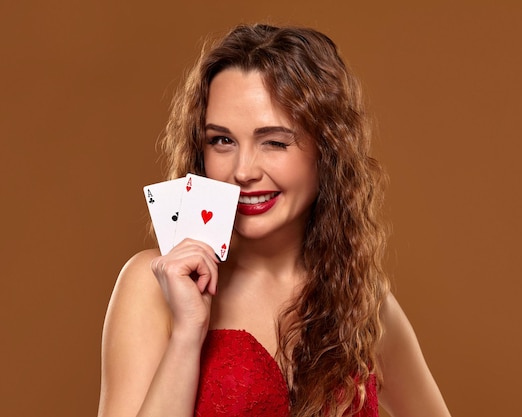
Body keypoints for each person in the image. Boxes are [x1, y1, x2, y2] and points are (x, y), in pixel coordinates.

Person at [97, 23, 451, 417]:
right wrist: (186, 335)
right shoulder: (151, 285)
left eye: (275, 142)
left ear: (327, 151)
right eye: (222, 140)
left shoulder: (364, 305)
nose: (243, 170)